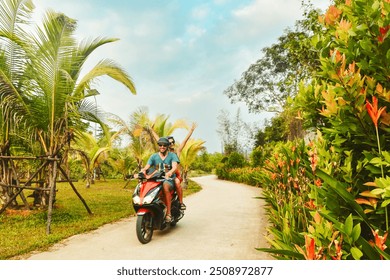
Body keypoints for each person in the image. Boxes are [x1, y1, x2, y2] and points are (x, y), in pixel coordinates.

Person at [148, 123, 197, 211]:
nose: (170, 144)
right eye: (169, 143)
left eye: (172, 143)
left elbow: (184, 142)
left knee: (177, 183)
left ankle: (181, 202)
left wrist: (191, 131)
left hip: (174, 173)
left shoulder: (176, 152)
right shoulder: (163, 150)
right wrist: (151, 130)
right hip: (162, 172)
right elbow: (158, 139)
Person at [140, 137, 179, 223]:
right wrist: (142, 171)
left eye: (164, 145)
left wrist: (170, 173)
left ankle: (168, 213)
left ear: (167, 146)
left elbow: (175, 166)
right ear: (158, 146)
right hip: (156, 179)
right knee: (145, 186)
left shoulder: (172, 155)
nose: (162, 147)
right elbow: (147, 166)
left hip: (168, 179)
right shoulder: (154, 156)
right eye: (160, 145)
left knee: (165, 185)